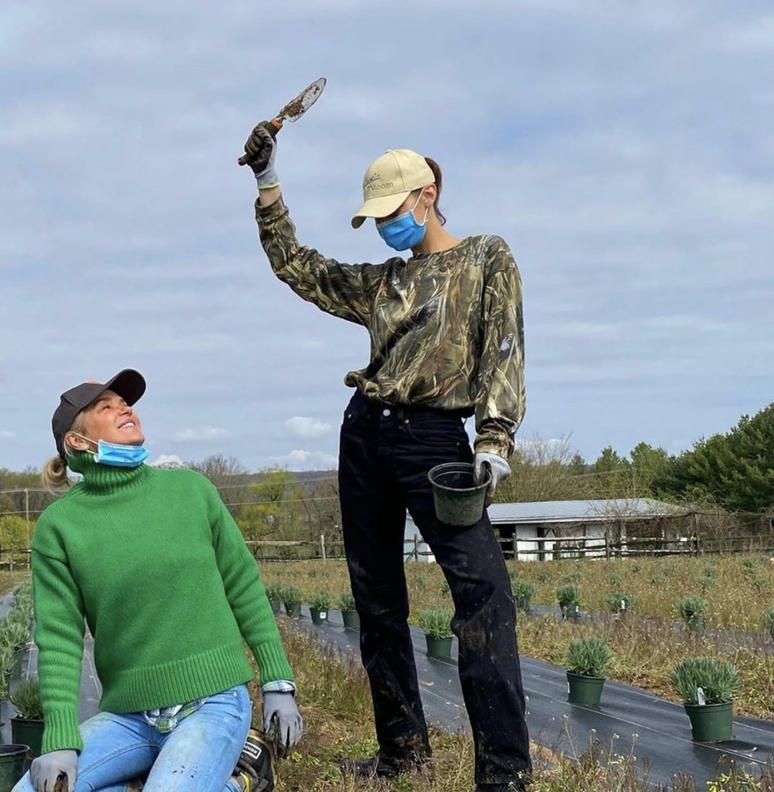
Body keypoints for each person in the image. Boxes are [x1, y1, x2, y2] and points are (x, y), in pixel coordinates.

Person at [241, 124, 532, 791]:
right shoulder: (380, 285)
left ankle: (504, 773)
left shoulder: (486, 258)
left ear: (427, 196)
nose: (383, 230)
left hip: (435, 445)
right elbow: (300, 268)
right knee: (376, 603)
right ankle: (404, 754)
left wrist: (493, 440)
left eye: (392, 214)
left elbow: (504, 350)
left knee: (484, 598)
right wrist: (266, 183)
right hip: (365, 433)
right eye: (374, 220)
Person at [15, 369, 302, 792]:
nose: (125, 408)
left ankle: (239, 779)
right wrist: (59, 739)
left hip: (214, 702)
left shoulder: (191, 491)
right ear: (77, 441)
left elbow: (242, 584)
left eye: (125, 402)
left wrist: (278, 681)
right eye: (106, 406)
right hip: (129, 718)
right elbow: (58, 638)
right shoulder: (59, 526)